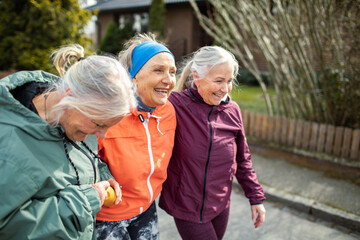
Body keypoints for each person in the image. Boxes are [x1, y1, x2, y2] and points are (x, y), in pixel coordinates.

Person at [0, 44, 137, 239]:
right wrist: (86, 201)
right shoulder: (8, 143)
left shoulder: (75, 116)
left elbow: (80, 159)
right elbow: (7, 227)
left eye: (108, 126)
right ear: (69, 95)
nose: (102, 136)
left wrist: (103, 177)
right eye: (99, 124)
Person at [159, 46, 266, 240]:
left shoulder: (232, 111)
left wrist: (255, 197)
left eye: (229, 81)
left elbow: (243, 160)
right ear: (196, 76)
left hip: (220, 206)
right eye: (218, 81)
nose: (225, 89)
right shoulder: (174, 105)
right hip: (187, 206)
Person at [95, 33, 177, 239]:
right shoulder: (108, 113)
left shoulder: (168, 112)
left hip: (146, 209)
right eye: (158, 70)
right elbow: (82, 161)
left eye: (173, 72)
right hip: (106, 216)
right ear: (133, 75)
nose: (168, 80)